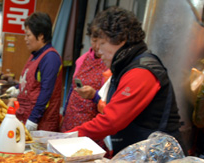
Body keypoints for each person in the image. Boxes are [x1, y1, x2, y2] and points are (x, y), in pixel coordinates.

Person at [66, 7, 181, 154]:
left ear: (120, 40)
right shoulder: (126, 66)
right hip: (139, 155)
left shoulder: (141, 71)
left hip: (159, 159)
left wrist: (69, 135)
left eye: (102, 44)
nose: (98, 51)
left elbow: (112, 121)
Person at [15, 12, 63, 132]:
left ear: (41, 36)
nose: (25, 39)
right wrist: (17, 88)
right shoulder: (35, 55)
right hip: (25, 116)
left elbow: (46, 92)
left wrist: (33, 120)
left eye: (28, 35)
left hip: (42, 124)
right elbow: (32, 83)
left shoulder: (50, 57)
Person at [61, 23, 107, 132]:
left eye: (101, 42)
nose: (96, 46)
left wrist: (94, 95)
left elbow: (108, 98)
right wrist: (64, 113)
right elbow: (72, 88)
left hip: (91, 120)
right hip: (71, 116)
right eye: (94, 40)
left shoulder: (108, 62)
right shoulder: (82, 59)